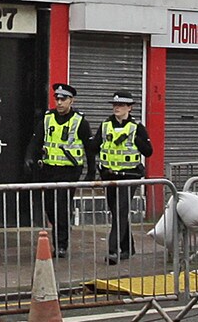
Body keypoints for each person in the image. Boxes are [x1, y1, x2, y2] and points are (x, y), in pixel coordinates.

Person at [23, 82, 93, 256]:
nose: (60, 102)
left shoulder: (80, 122)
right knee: (50, 208)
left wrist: (91, 173)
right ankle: (61, 231)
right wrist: (29, 157)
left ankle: (61, 245)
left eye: (64, 99)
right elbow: (36, 140)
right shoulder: (47, 119)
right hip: (48, 170)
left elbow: (89, 148)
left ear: (72, 101)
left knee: (62, 206)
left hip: (69, 171)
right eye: (57, 98)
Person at [97, 90, 155, 264]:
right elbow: (94, 146)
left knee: (121, 211)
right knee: (116, 212)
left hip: (129, 175)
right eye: (115, 105)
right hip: (109, 175)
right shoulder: (106, 125)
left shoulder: (137, 127)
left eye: (121, 105)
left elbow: (148, 151)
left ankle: (113, 251)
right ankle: (128, 247)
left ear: (129, 108)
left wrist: (137, 140)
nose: (117, 108)